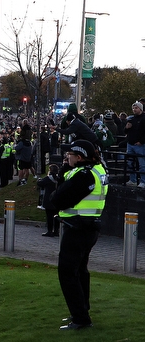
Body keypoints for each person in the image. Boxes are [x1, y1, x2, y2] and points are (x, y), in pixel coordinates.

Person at [46, 139, 108, 330]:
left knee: (67, 272)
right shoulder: (97, 169)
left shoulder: (84, 175)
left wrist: (64, 176)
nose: (67, 157)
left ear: (79, 157)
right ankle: (82, 311)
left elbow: (57, 199)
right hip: (88, 227)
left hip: (78, 228)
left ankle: (80, 318)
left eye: (70, 155)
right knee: (80, 270)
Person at [125, 101, 145, 187]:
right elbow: (125, 131)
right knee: (130, 163)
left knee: (142, 164)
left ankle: (143, 181)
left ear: (140, 109)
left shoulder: (144, 119)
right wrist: (126, 128)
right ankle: (132, 180)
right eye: (133, 108)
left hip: (139, 145)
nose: (134, 110)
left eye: (136, 108)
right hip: (131, 143)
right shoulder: (131, 119)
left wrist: (142, 141)